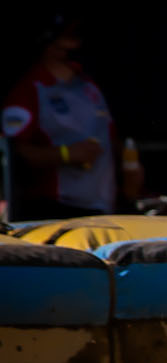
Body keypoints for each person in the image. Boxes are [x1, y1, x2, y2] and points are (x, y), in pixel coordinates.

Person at [4, 15, 135, 219]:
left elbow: (112, 141)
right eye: (67, 36)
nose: (74, 43)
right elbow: (12, 153)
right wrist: (65, 154)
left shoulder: (89, 85)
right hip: (56, 209)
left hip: (102, 206)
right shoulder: (29, 90)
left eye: (76, 35)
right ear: (49, 43)